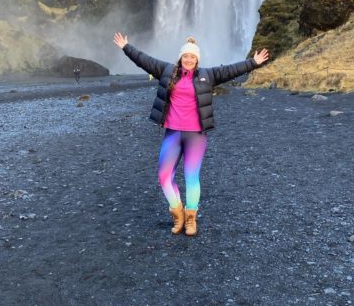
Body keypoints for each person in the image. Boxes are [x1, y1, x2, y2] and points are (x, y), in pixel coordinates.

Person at [113, 32, 269, 236]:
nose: (188, 60)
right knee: (164, 176)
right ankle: (177, 213)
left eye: (192, 57)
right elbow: (144, 61)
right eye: (186, 56)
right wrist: (126, 47)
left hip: (195, 135)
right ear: (180, 57)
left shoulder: (208, 75)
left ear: (197, 60)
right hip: (173, 132)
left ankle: (191, 218)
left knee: (191, 177)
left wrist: (253, 62)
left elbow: (231, 70)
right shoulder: (167, 71)